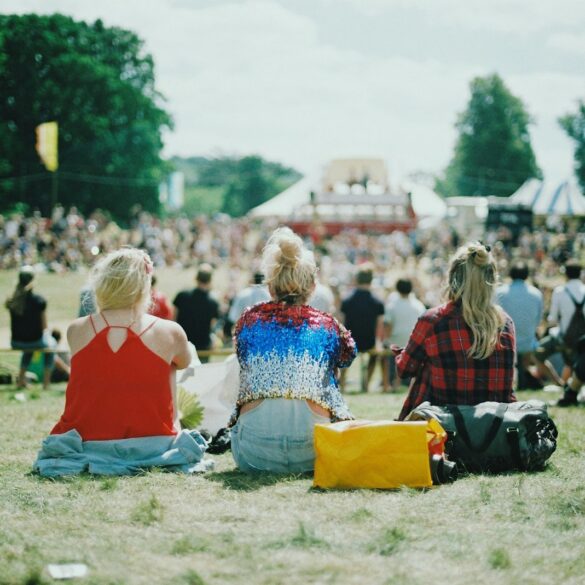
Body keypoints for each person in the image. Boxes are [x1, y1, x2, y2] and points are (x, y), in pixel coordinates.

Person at [35, 248, 207, 476]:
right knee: (172, 362)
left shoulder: (76, 330)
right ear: (143, 287)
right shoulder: (170, 331)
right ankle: (169, 427)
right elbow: (185, 362)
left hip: (88, 441)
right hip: (154, 442)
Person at [230, 227, 356, 474]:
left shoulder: (249, 320)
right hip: (314, 451)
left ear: (270, 286)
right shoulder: (328, 325)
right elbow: (348, 355)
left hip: (254, 453)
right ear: (312, 287)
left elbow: (242, 357)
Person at [395, 242, 516, 420]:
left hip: (445, 426)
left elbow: (404, 370)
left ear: (452, 278)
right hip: (494, 427)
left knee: (427, 367)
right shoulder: (505, 323)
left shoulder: (433, 320)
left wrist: (401, 353)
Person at [536, 260, 585, 394]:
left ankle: (558, 382)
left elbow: (553, 319)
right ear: (580, 274)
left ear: (566, 275)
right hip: (581, 342)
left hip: (563, 339)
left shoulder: (560, 291)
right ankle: (570, 386)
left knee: (537, 353)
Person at [496, 261, 545, 389]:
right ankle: (525, 375)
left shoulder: (500, 292)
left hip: (505, 341)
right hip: (528, 342)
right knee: (526, 351)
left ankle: (516, 379)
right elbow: (538, 320)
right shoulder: (536, 293)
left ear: (510, 274)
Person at [5, 266, 54, 389]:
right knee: (51, 345)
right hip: (34, 341)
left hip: (16, 342)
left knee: (29, 347)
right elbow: (44, 327)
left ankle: (21, 380)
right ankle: (46, 383)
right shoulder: (39, 300)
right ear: (33, 280)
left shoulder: (12, 301)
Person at [340, 263, 385, 392]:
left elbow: (342, 324)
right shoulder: (378, 302)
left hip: (350, 342)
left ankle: (342, 382)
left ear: (357, 279)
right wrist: (378, 343)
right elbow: (379, 326)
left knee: (345, 354)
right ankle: (366, 384)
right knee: (374, 356)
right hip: (369, 342)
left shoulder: (347, 300)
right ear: (371, 279)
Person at [383, 278, 425, 392]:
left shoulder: (392, 305)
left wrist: (386, 339)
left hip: (395, 340)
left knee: (386, 352)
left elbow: (388, 325)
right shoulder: (418, 305)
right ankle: (399, 382)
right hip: (413, 341)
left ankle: (388, 384)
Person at [173, 263, 220, 362]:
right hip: (202, 348)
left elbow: (174, 318)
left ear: (196, 278)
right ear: (210, 280)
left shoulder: (182, 295)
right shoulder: (213, 302)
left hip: (183, 344)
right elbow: (212, 325)